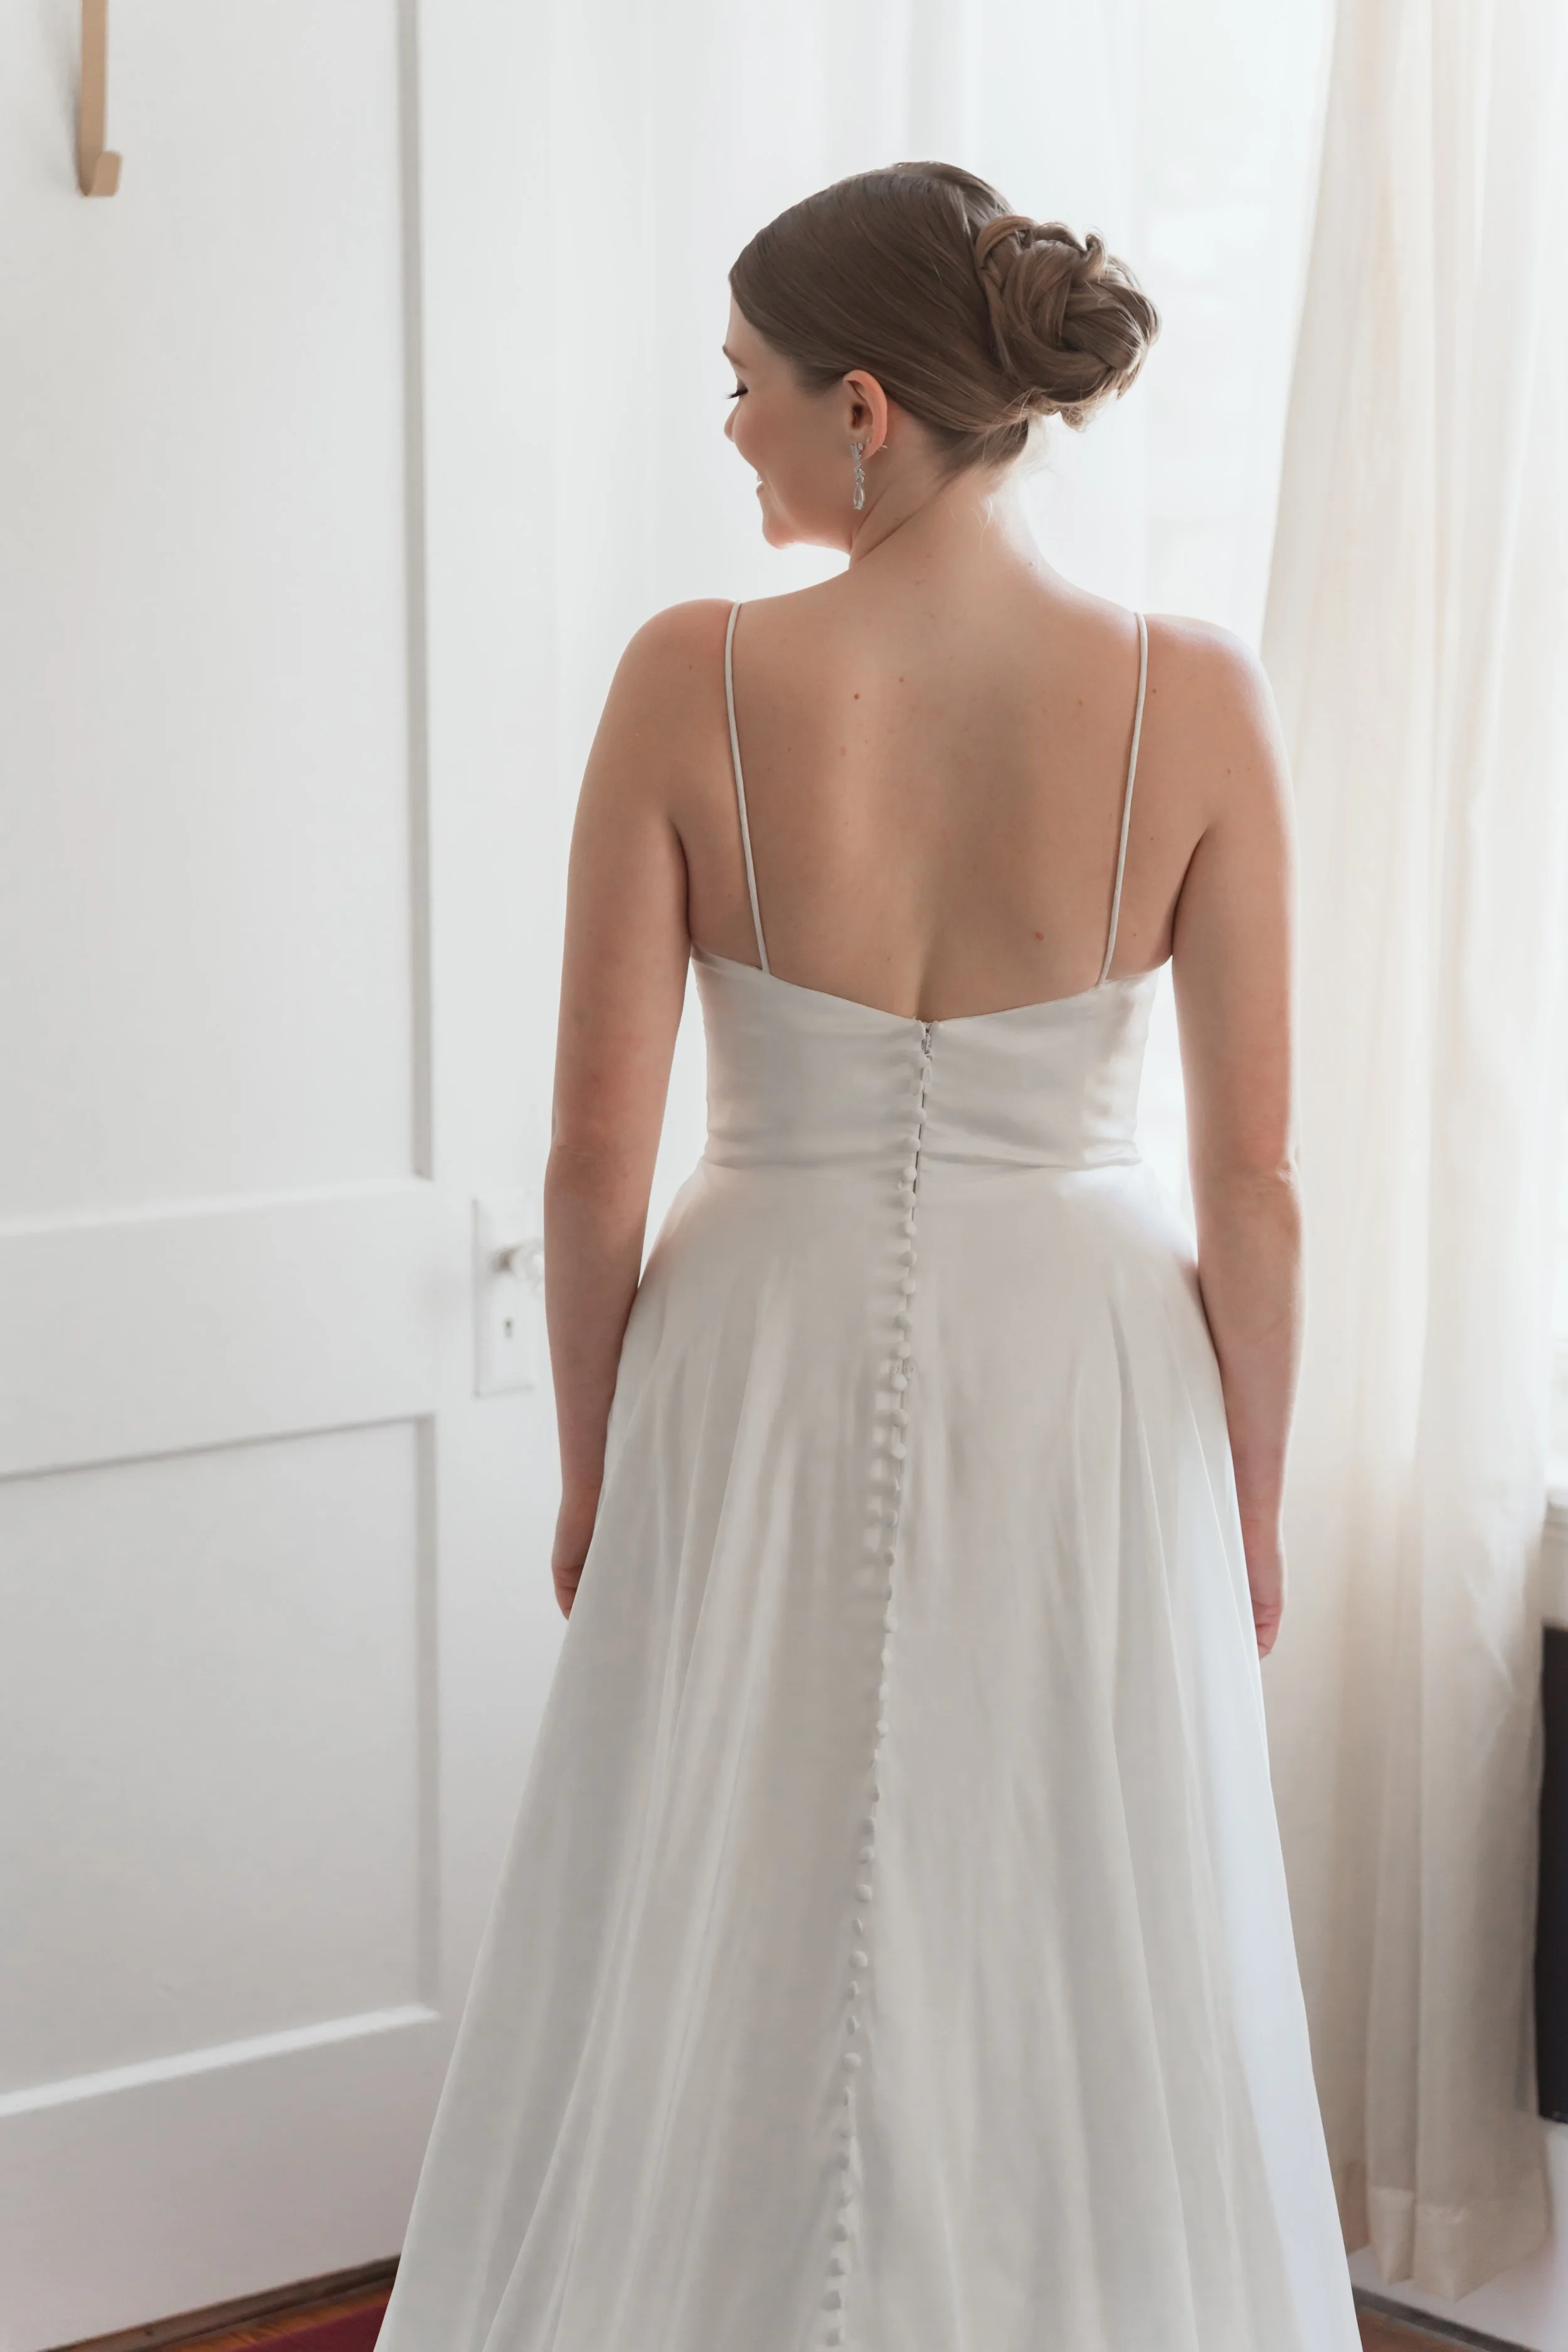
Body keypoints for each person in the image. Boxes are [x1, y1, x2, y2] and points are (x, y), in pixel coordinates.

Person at [376, 160, 1361, 2352]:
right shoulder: (1193, 696)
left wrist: (592, 1465)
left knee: (723, 1871)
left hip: (756, 1337)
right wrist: (1250, 1499)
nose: (724, 423)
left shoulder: (690, 676)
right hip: (1089, 1362)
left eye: (743, 380)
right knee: (1064, 1890)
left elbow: (592, 1156)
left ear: (862, 408)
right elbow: (1257, 1181)